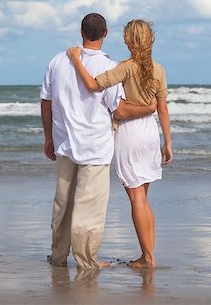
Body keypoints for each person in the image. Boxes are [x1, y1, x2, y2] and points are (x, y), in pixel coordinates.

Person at [40, 13, 157, 270]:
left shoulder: (58, 61)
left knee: (63, 203)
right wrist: (149, 109)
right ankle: (87, 260)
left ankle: (58, 256)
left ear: (81, 32)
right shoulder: (108, 66)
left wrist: (48, 136)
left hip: (64, 143)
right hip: (95, 146)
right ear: (105, 34)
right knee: (88, 207)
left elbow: (46, 102)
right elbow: (119, 110)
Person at [67, 19, 173, 269]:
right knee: (144, 199)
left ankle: (148, 258)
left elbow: (92, 85)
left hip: (129, 134)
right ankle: (147, 254)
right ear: (151, 40)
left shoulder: (125, 68)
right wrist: (168, 142)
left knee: (136, 198)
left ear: (128, 40)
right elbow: (163, 109)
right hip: (150, 134)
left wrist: (76, 61)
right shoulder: (158, 69)